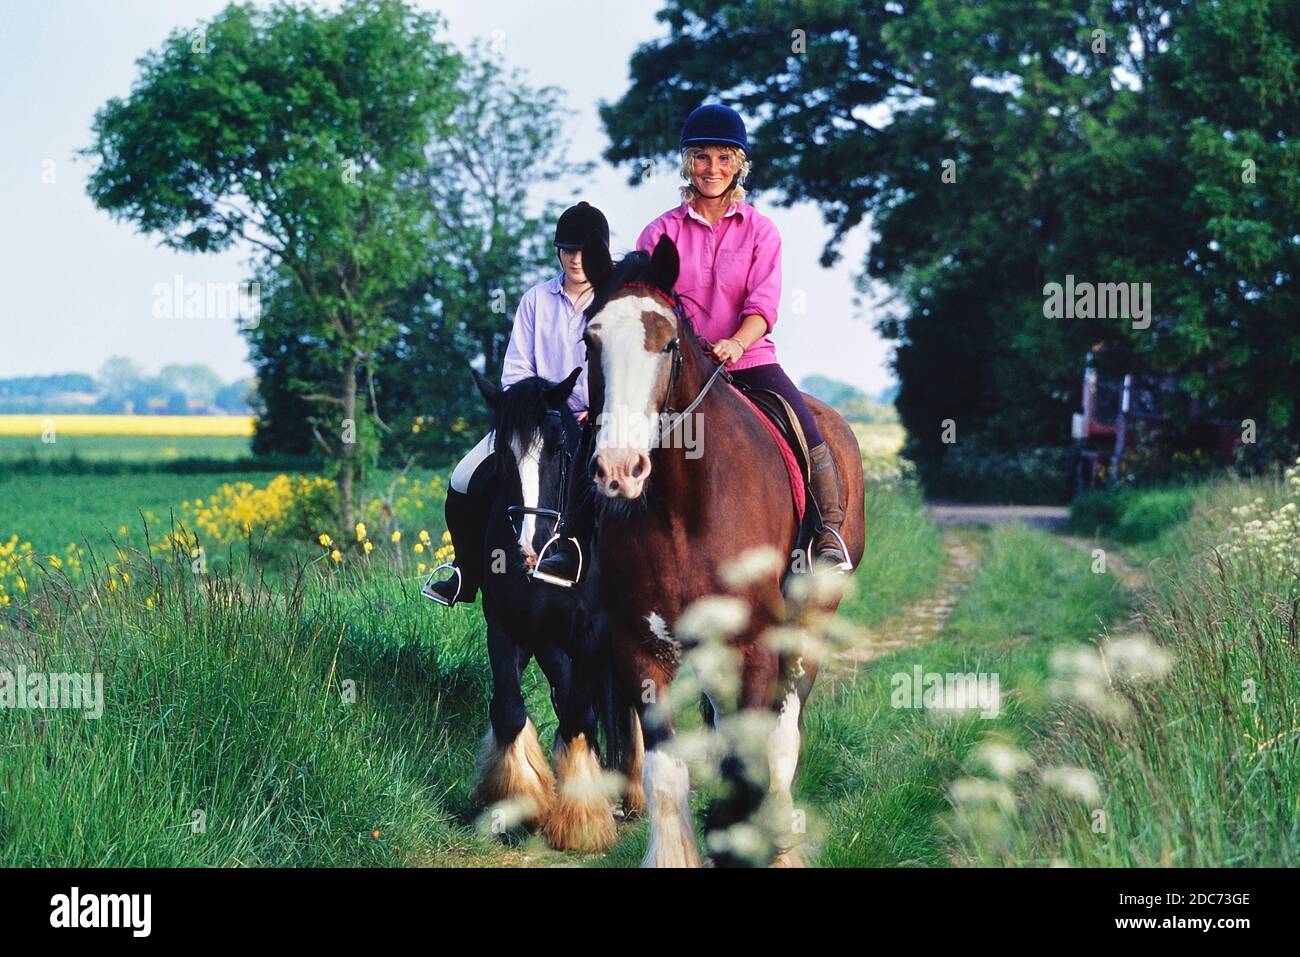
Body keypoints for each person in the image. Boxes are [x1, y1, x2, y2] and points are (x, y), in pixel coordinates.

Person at [534, 104, 852, 582]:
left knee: (807, 428)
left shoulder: (762, 232)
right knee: (604, 430)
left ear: (739, 165)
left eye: (724, 158)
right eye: (702, 157)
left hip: (747, 360)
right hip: (671, 369)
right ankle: (572, 544)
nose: (713, 168)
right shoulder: (659, 232)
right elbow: (639, 309)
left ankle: (827, 533)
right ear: (688, 164)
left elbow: (763, 307)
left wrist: (736, 344)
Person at [422, 201, 608, 606]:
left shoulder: (613, 302)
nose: (576, 259)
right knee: (464, 475)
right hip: (537, 419)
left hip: (598, 420)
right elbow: (517, 369)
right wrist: (537, 411)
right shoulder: (536, 300)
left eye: (585, 251)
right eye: (568, 250)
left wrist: (597, 409)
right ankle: (465, 571)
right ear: (558, 251)